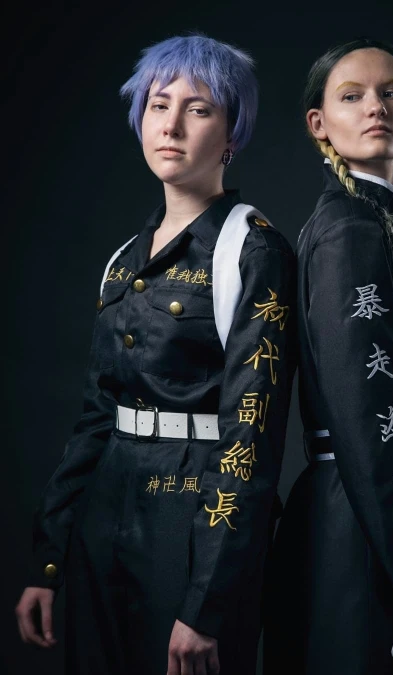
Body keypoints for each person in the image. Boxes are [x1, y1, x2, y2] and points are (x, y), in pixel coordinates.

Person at [15, 33, 296, 675]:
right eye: (157, 105)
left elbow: (252, 437)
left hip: (192, 522)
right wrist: (48, 562)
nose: (170, 125)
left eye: (198, 109)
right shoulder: (124, 260)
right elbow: (95, 417)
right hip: (104, 515)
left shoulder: (254, 252)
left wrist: (207, 605)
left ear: (232, 132)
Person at [263, 38, 393, 675]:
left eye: (391, 93)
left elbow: (383, 376)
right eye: (351, 96)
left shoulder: (382, 219)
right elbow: (363, 414)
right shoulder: (352, 228)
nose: (375, 107)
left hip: (361, 510)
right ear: (319, 123)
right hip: (360, 520)